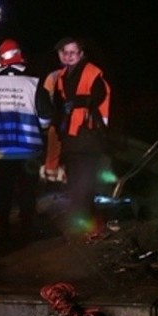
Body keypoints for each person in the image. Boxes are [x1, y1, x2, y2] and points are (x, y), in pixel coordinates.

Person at [0, 39, 53, 240]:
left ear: (0, 59)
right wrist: (40, 129)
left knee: (3, 190)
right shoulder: (34, 83)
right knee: (27, 190)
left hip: (2, 150)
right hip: (29, 150)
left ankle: (3, 228)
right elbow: (46, 116)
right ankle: (26, 227)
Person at [52, 36, 112, 238]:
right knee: (76, 182)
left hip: (89, 137)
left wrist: (76, 102)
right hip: (72, 139)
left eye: (73, 52)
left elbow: (97, 98)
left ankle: (84, 224)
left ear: (81, 54)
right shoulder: (62, 76)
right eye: (65, 52)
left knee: (85, 183)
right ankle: (78, 222)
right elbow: (61, 107)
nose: (68, 56)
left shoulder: (93, 73)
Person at [40, 47, 71, 185]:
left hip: (59, 120)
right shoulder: (54, 77)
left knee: (55, 149)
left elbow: (46, 100)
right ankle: (53, 175)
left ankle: (52, 175)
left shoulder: (52, 76)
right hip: (63, 120)